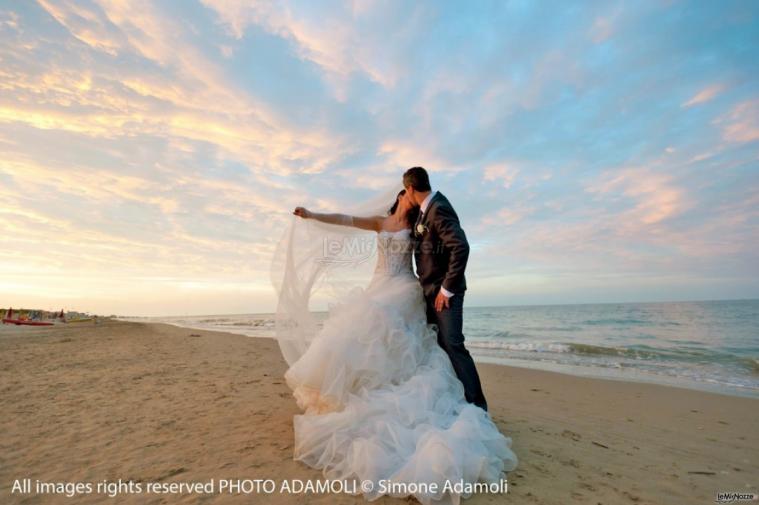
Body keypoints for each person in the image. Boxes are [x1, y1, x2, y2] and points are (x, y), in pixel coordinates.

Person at [272, 181, 517, 505]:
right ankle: (350, 393)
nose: (408, 199)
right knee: (359, 328)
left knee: (394, 333)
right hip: (378, 286)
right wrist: (312, 214)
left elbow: (443, 246)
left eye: (412, 196)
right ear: (400, 196)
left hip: (405, 288)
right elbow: (345, 219)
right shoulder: (380, 223)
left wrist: (445, 285)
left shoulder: (418, 227)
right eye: (406, 195)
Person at [403, 166, 489, 411]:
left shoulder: (438, 208)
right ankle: (457, 399)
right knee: (440, 346)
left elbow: (460, 247)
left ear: (410, 188)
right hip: (430, 292)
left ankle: (478, 406)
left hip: (445, 294)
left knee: (453, 344)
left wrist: (446, 289)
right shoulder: (424, 212)